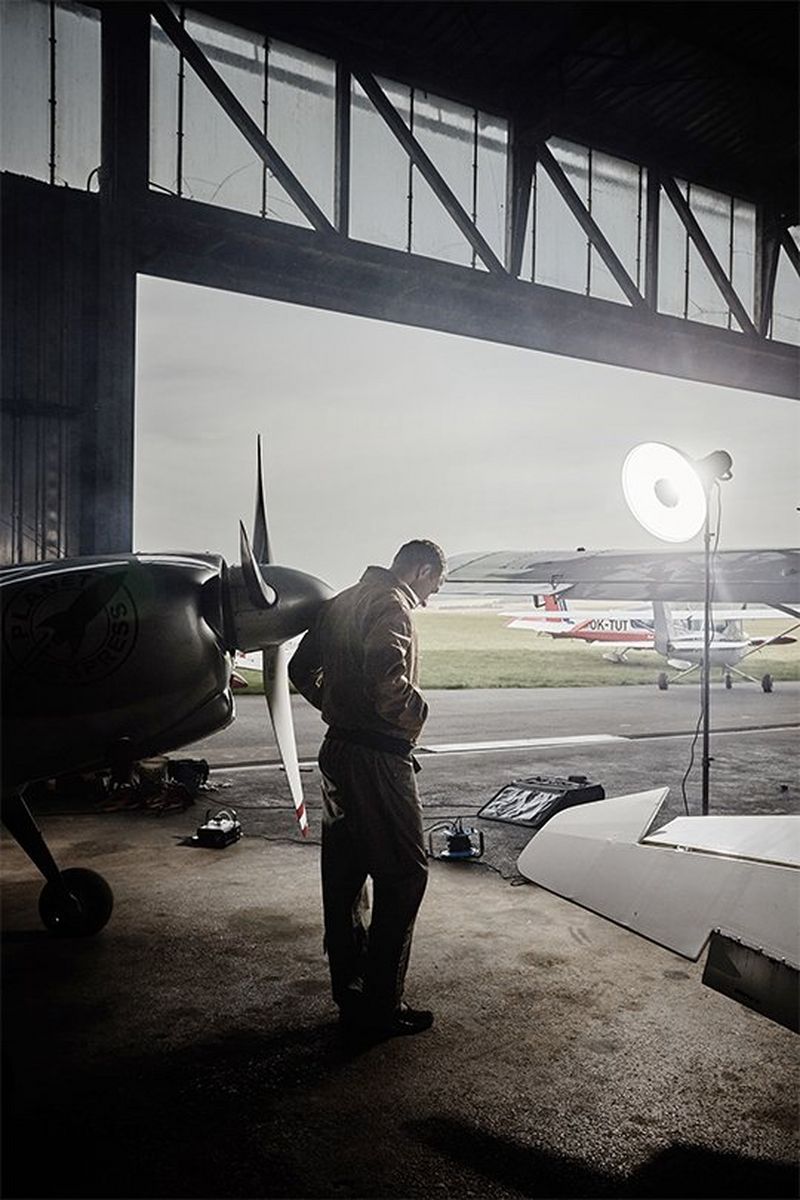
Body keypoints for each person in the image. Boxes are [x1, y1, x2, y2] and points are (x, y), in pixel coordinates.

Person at [289, 539, 446, 1040]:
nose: (433, 594)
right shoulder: (391, 604)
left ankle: (351, 995)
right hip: (377, 758)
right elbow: (387, 676)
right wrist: (414, 716)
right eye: (436, 584)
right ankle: (381, 1005)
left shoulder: (340, 602)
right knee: (403, 875)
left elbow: (298, 670)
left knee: (346, 876)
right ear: (421, 571)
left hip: (336, 750)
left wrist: (337, 705)